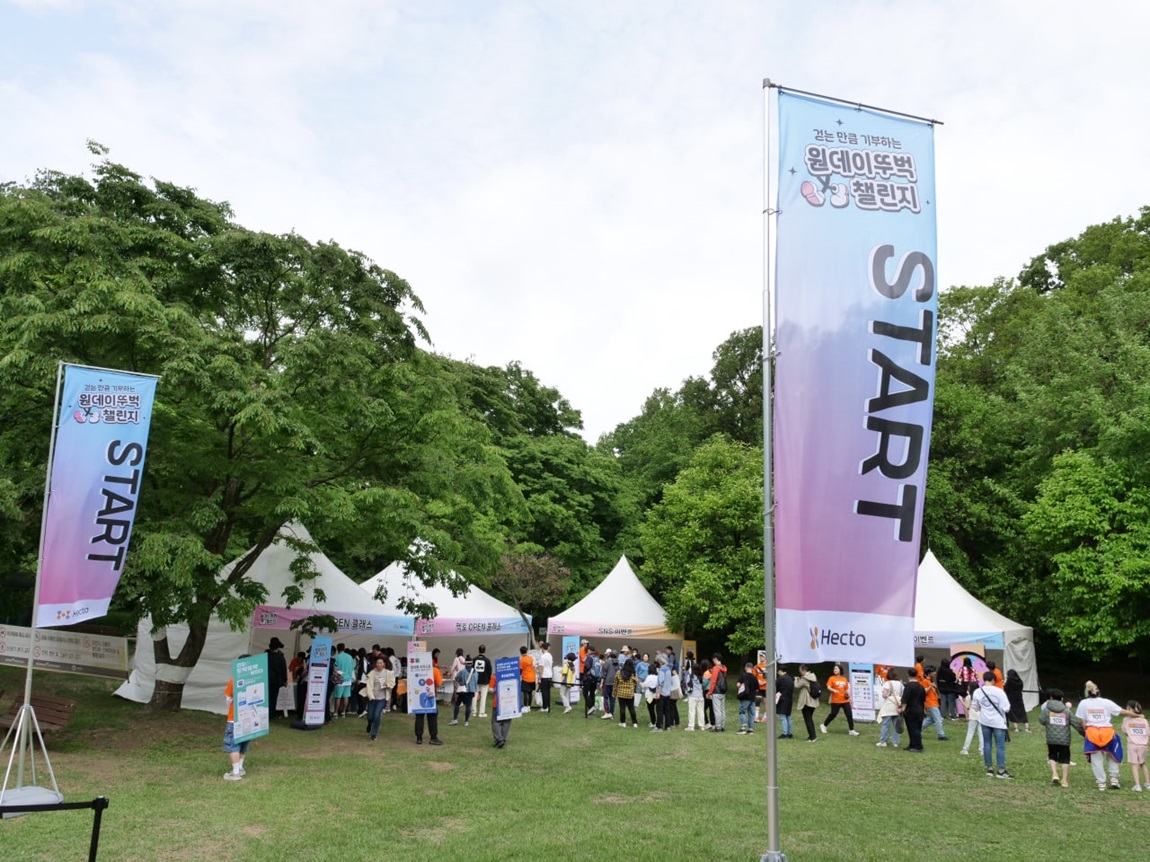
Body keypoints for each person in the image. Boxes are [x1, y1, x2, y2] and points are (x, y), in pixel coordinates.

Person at [1076, 680, 1137, 791]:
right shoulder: (1106, 702)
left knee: (1096, 760)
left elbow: (1083, 722)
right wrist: (1137, 715)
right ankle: (1114, 779)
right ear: (1098, 691)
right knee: (1112, 755)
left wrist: (1087, 733)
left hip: (1092, 732)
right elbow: (1122, 712)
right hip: (1107, 732)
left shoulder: (1083, 703)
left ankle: (1101, 783)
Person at [972, 670, 1012, 778]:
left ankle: (989, 769)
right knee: (1000, 745)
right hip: (998, 721)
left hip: (984, 720)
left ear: (983, 679)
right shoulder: (999, 691)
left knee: (987, 744)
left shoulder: (977, 692)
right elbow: (1006, 708)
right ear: (994, 680)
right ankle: (1001, 770)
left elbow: (975, 707)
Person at [1038, 688, 1081, 788]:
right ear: (1062, 699)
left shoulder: (1046, 710)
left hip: (1051, 738)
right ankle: (1064, 780)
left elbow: (1041, 720)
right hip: (1064, 740)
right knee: (1065, 758)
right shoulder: (1067, 711)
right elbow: (1076, 724)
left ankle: (1055, 774)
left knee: (1052, 755)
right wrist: (1085, 734)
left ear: (1051, 698)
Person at [222, 662, 250, 780]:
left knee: (233, 745)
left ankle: (235, 772)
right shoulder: (256, 679)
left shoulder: (235, 680)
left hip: (235, 718)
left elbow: (228, 698)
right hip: (250, 717)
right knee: (244, 743)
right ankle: (240, 768)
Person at [819, 664, 858, 736]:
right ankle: (824, 725)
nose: (835, 670)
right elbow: (828, 687)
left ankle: (851, 730)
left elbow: (846, 689)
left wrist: (850, 697)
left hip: (845, 700)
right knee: (833, 714)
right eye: (834, 669)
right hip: (836, 700)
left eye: (836, 669)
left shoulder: (844, 679)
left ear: (840, 670)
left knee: (849, 714)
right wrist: (834, 690)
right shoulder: (831, 678)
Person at [364, 655, 394, 741]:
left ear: (384, 664)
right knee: (370, 716)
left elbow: (392, 684)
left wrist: (387, 685)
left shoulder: (388, 673)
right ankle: (369, 723)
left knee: (377, 716)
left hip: (382, 698)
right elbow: (368, 686)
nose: (379, 664)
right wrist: (371, 697)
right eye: (377, 663)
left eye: (380, 663)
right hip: (372, 697)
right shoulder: (372, 673)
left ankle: (374, 734)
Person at [413, 661, 444, 746]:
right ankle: (433, 737)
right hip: (430, 695)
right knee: (432, 716)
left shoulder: (415, 670)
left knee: (419, 716)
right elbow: (439, 682)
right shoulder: (434, 670)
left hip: (418, 696)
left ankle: (419, 737)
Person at [1122, 700, 1149, 792]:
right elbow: (1148, 733)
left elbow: (1125, 731)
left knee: (1134, 765)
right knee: (1143, 764)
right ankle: (1148, 784)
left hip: (1132, 745)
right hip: (1143, 745)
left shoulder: (1126, 720)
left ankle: (1137, 785)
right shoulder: (1144, 720)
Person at [900, 668, 926, 752]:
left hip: (911, 710)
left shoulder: (909, 686)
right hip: (920, 709)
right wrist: (924, 709)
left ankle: (918, 746)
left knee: (913, 729)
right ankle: (912, 744)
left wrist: (902, 709)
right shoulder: (921, 686)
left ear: (908, 675)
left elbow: (905, 699)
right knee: (916, 728)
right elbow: (923, 700)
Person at [920, 668, 949, 741]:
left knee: (931, 719)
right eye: (933, 672)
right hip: (930, 703)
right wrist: (931, 686)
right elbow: (924, 692)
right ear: (929, 673)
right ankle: (941, 735)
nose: (935, 673)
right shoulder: (925, 681)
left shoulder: (930, 681)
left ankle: (917, 729)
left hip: (934, 702)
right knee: (938, 719)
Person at [876, 669, 903, 748]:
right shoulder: (900, 684)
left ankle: (883, 741)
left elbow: (884, 695)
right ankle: (895, 742)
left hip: (889, 704)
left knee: (886, 724)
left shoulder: (888, 683)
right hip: (898, 704)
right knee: (897, 725)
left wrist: (885, 695)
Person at [793, 663, 819, 742]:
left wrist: (796, 680)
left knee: (807, 719)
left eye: (800, 670)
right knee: (810, 719)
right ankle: (812, 735)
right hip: (813, 701)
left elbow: (797, 686)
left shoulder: (804, 678)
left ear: (804, 670)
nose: (800, 672)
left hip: (807, 701)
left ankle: (812, 737)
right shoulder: (813, 676)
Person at [266, 637, 288, 721]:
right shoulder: (280, 657)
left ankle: (266, 713)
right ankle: (271, 714)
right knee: (273, 698)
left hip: (267, 679)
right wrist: (285, 680)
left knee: (267, 697)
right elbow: (283, 669)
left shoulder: (266, 655)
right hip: (276, 681)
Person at [614, 657, 640, 728]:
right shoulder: (633, 673)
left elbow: (615, 683)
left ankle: (623, 722)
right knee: (631, 708)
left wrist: (614, 693)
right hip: (630, 694)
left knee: (622, 708)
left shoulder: (619, 672)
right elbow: (636, 682)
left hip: (621, 693)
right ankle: (634, 723)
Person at [450, 659, 476, 727]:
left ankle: (455, 719)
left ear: (465, 664)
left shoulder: (462, 671)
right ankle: (466, 721)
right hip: (471, 691)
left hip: (463, 691)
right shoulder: (476, 672)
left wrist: (462, 682)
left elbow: (457, 678)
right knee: (468, 706)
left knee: (457, 704)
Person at [959, 684, 983, 757]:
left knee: (970, 732)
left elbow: (967, 707)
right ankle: (982, 750)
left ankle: (965, 749)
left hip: (973, 716)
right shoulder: (981, 696)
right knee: (981, 733)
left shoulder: (969, 697)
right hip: (981, 716)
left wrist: (961, 701)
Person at [333, 643, 356, 718]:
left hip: (339, 679)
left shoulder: (337, 657)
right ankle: (343, 712)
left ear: (337, 649)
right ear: (344, 648)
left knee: (338, 697)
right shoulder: (350, 657)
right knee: (346, 696)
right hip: (348, 679)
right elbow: (353, 668)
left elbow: (335, 668)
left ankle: (336, 712)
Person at [490, 671, 512, 749]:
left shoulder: (495, 676)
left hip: (498, 702)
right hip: (510, 701)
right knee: (506, 722)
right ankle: (503, 739)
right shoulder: (513, 675)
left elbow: (491, 689)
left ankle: (499, 739)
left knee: (495, 721)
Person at [708, 653, 728, 733]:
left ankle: (718, 727)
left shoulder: (716, 668)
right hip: (723, 690)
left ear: (715, 659)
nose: (713, 661)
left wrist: (710, 692)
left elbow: (713, 681)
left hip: (716, 691)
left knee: (717, 710)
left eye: (713, 659)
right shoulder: (724, 667)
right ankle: (722, 726)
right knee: (722, 709)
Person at [736, 662, 758, 734]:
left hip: (745, 697)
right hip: (753, 698)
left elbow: (738, 685)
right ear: (752, 669)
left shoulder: (743, 676)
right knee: (751, 714)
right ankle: (751, 729)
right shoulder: (755, 677)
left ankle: (743, 727)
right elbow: (757, 689)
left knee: (742, 711)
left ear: (745, 668)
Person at [684, 660, 705, 731]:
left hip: (692, 696)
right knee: (701, 711)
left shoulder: (690, 676)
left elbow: (687, 684)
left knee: (692, 711)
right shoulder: (701, 677)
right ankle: (702, 725)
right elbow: (704, 685)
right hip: (700, 696)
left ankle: (691, 726)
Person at [473, 645, 493, 718]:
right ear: (485, 650)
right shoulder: (487, 660)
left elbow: (472, 670)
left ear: (478, 650)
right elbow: (489, 671)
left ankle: (473, 712)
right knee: (483, 697)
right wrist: (488, 679)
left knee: (474, 696)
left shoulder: (474, 659)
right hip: (484, 681)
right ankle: (481, 712)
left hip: (475, 680)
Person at [776, 666, 794, 739]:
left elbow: (776, 688)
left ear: (781, 671)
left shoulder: (780, 679)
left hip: (782, 699)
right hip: (789, 699)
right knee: (788, 717)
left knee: (783, 717)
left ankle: (784, 733)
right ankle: (790, 733)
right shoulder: (790, 679)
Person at [599, 649, 618, 720]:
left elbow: (604, 673)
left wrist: (601, 683)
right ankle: (611, 713)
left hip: (607, 682)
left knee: (605, 697)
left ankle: (607, 712)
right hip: (615, 683)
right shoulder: (618, 663)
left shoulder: (607, 662)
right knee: (613, 699)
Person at [581, 648, 599, 718]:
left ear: (590, 651)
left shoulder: (589, 658)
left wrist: (585, 672)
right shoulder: (596, 658)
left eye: (588, 651)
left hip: (589, 678)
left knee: (585, 693)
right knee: (592, 693)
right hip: (595, 678)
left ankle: (591, 707)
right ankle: (593, 707)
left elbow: (587, 666)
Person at [518, 646, 536, 712]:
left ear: (520, 652)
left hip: (526, 678)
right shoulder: (530, 658)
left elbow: (520, 669)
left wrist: (518, 676)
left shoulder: (522, 660)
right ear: (527, 651)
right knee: (530, 693)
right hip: (532, 677)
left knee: (525, 692)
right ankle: (529, 707)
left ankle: (525, 707)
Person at [538, 641, 554, 714]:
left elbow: (541, 667)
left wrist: (539, 677)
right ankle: (547, 705)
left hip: (544, 675)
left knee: (544, 691)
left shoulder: (542, 656)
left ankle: (545, 707)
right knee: (547, 691)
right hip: (549, 675)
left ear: (542, 648)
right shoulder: (550, 655)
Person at [643, 660, 660, 728]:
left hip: (649, 695)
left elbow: (645, 685)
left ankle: (653, 722)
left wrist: (642, 684)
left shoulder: (649, 677)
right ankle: (657, 721)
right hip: (655, 695)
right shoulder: (657, 676)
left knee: (651, 709)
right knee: (657, 709)